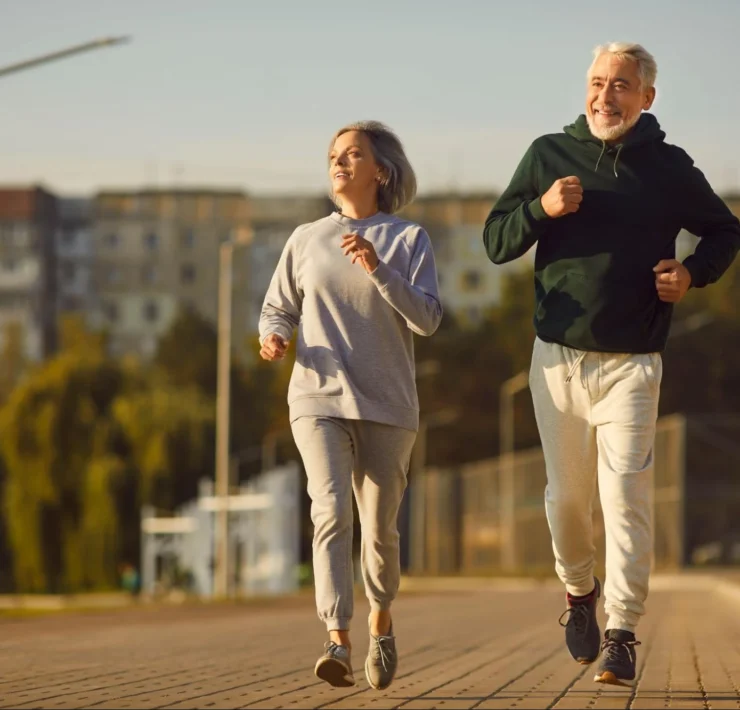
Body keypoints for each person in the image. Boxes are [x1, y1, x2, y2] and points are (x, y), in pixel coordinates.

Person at [483, 42, 740, 687]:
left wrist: (691, 272)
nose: (606, 96)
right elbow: (494, 240)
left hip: (634, 364)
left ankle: (622, 630)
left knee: (624, 500)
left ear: (646, 97)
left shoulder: (669, 167)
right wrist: (541, 210)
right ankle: (579, 592)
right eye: (598, 82)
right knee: (567, 500)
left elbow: (726, 231)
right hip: (556, 363)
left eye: (621, 85)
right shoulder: (549, 154)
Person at [259, 120, 442, 690]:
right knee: (331, 510)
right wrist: (275, 335)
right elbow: (277, 306)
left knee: (380, 532)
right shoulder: (306, 238)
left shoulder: (408, 241)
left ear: (379, 171)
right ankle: (337, 636)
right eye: (334, 154)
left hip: (387, 405)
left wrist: (377, 267)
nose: (338, 162)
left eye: (352, 154)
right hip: (317, 396)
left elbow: (428, 319)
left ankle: (381, 621)